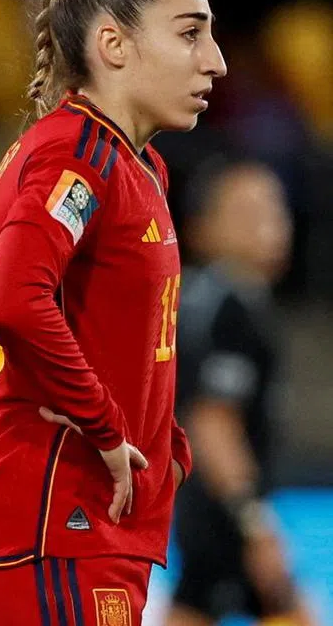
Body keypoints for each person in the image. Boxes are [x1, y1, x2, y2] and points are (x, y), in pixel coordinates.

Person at [0, 0, 227, 625]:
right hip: (46, 519)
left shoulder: (138, 165)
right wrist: (104, 428)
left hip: (91, 523)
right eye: (190, 34)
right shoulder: (78, 155)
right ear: (113, 44)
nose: (215, 61)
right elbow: (16, 299)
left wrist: (168, 448)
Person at [167, 160, 315, 626]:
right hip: (224, 516)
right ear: (203, 230)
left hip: (202, 511)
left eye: (276, 210)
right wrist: (254, 523)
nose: (271, 225)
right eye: (249, 213)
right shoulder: (233, 307)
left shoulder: (201, 299)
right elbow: (212, 422)